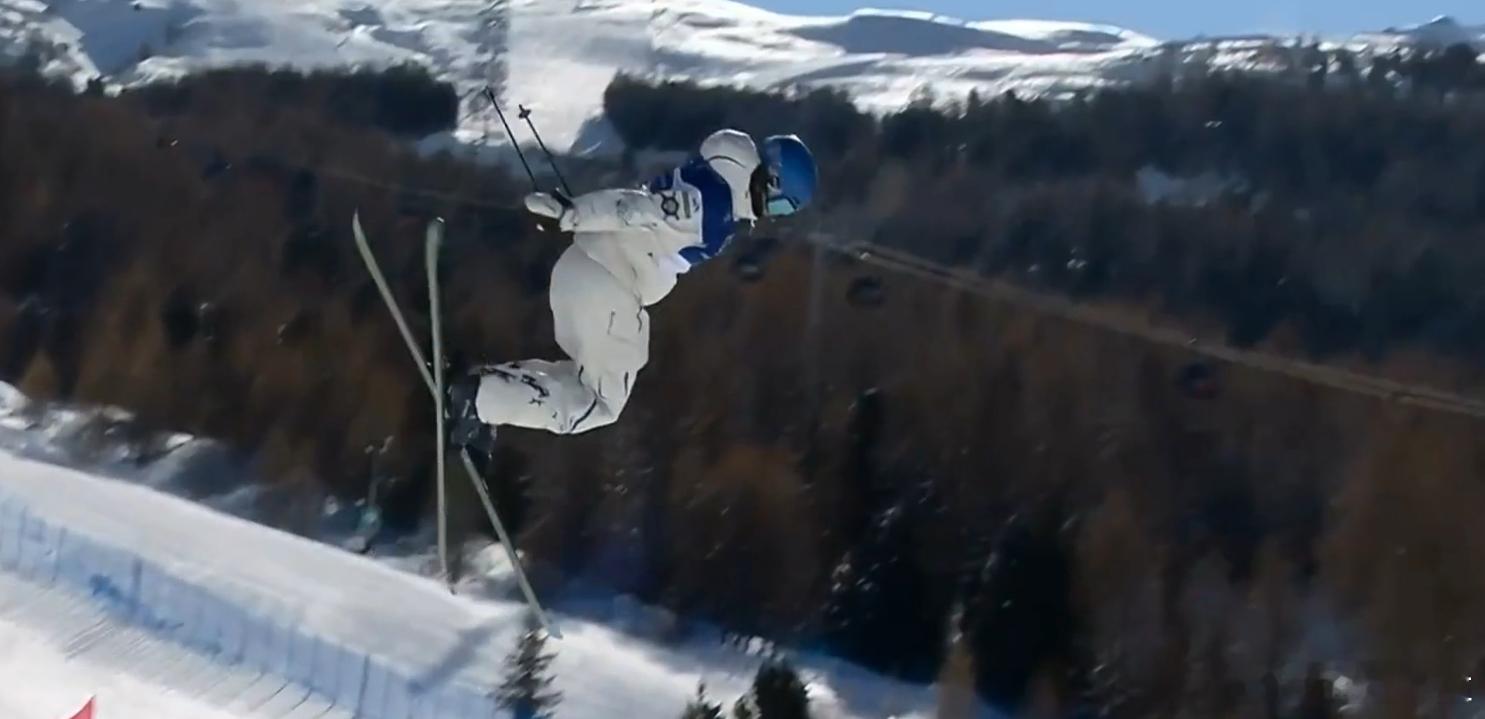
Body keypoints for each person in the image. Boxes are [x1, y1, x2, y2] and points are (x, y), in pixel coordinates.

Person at [446, 129, 818, 443]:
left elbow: (643, 208)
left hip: (581, 269)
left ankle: (488, 395)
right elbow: (639, 208)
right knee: (599, 404)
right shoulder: (712, 205)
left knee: (581, 380)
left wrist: (577, 217)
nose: (770, 214)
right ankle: (480, 400)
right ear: (770, 181)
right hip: (610, 289)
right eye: (780, 206)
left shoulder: (709, 179)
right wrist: (574, 213)